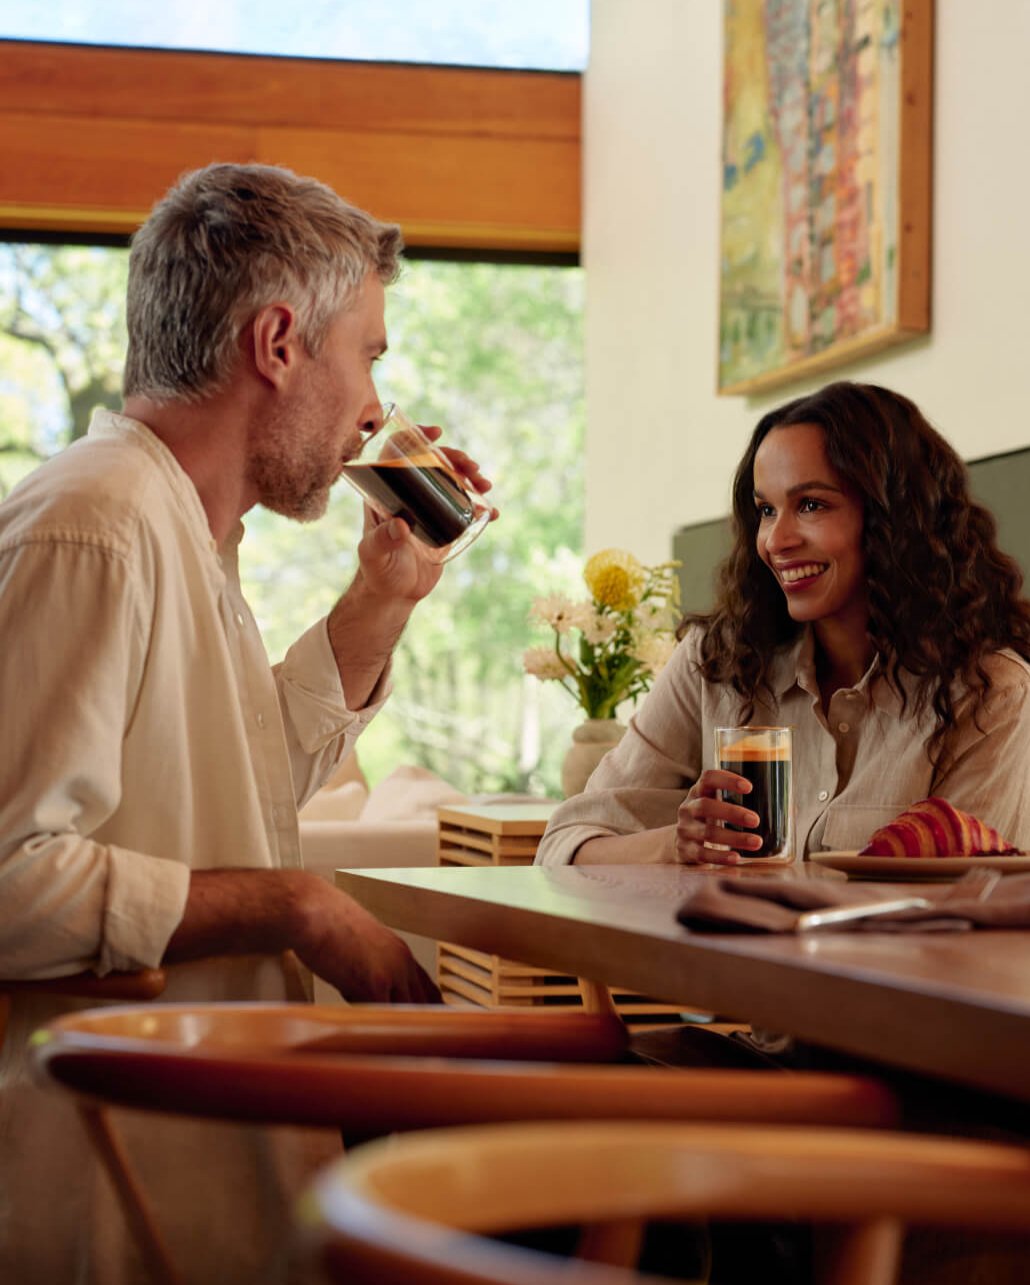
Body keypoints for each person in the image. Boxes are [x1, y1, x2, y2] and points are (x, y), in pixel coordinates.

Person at [0, 162, 493, 1282]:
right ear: (278, 344)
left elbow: (240, 784)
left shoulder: (183, 529)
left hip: (202, 1141)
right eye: (367, 352)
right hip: (108, 1184)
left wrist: (382, 599)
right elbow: (8, 879)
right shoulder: (95, 524)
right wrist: (299, 905)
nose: (377, 404)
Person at [537, 380, 1030, 868]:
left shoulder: (990, 693)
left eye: (812, 505)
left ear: (893, 518)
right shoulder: (716, 661)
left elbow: (964, 911)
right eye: (766, 511)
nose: (776, 539)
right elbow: (565, 844)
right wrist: (673, 845)